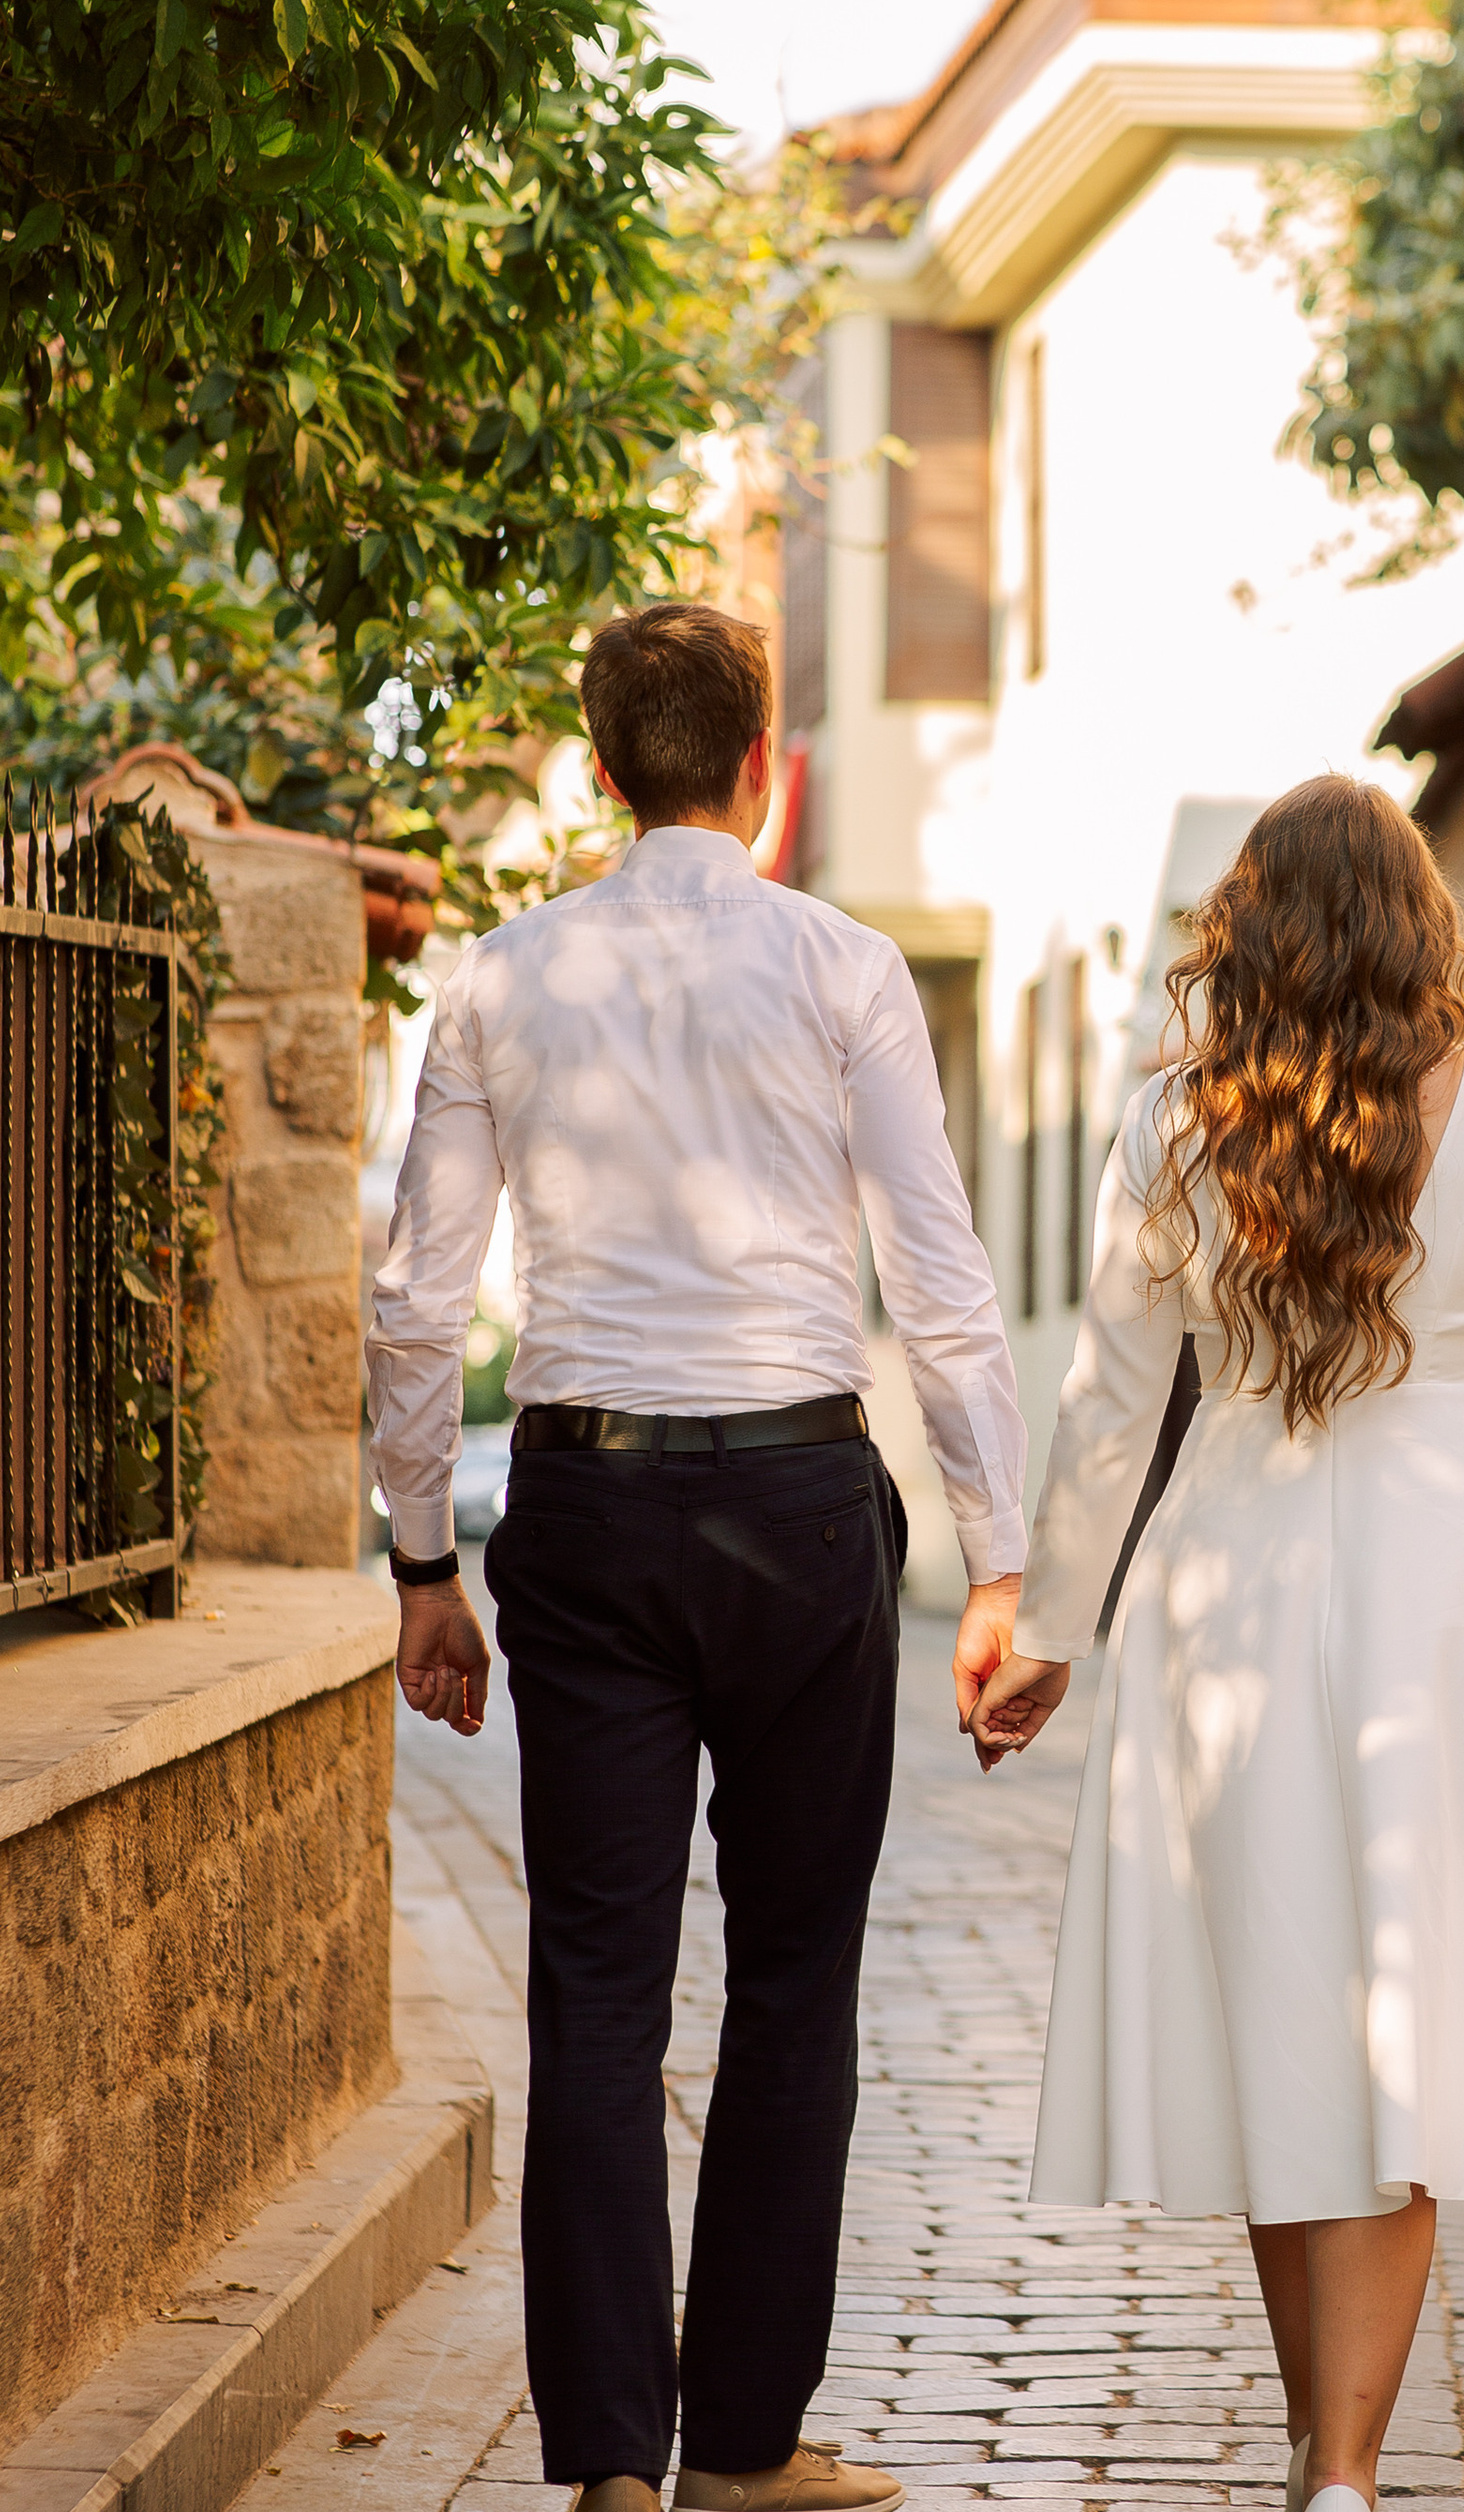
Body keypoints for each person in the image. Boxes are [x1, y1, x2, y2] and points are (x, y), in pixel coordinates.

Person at [366, 602, 1029, 2512]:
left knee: (594, 1987)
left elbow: (417, 1303)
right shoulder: (846, 968)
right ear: (762, 768)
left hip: (586, 1514)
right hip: (803, 1510)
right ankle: (741, 2447)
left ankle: (606, 2464)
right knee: (797, 1976)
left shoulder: (497, 980)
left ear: (600, 772)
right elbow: (941, 1279)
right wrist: (998, 1558)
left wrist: (424, 1562)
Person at [953, 776, 1464, 2512]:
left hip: (1228, 1579)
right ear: (1423, 927)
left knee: (1280, 2011)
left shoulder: (1174, 1124)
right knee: (1410, 2009)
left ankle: (1322, 2455)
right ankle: (1338, 2466)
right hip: (1449, 1585)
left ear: (1246, 930)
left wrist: (1052, 1627)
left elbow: (1112, 1397)